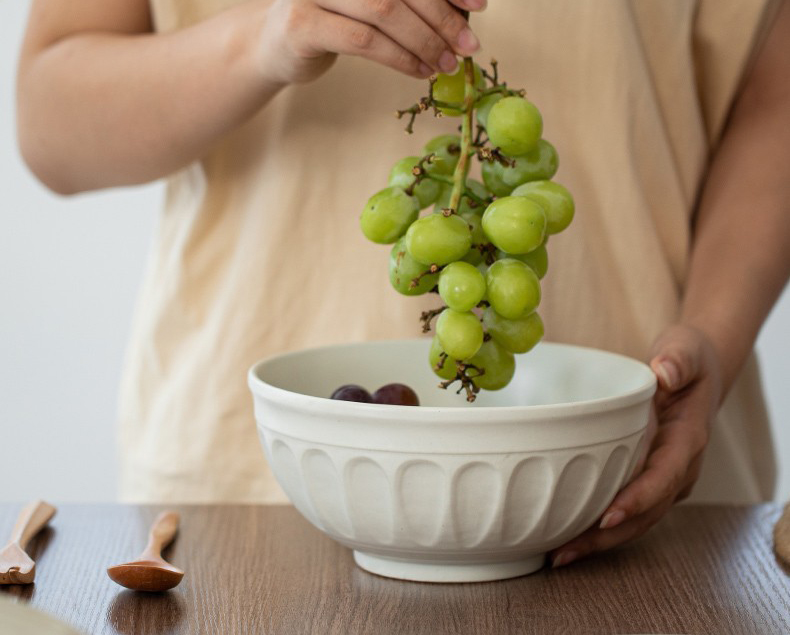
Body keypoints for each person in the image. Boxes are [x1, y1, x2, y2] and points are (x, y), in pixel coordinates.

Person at [16, 0, 790, 567]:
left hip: (631, 479)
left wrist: (714, 338)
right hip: (249, 498)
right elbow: (51, 121)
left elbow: (775, 100)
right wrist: (264, 37)